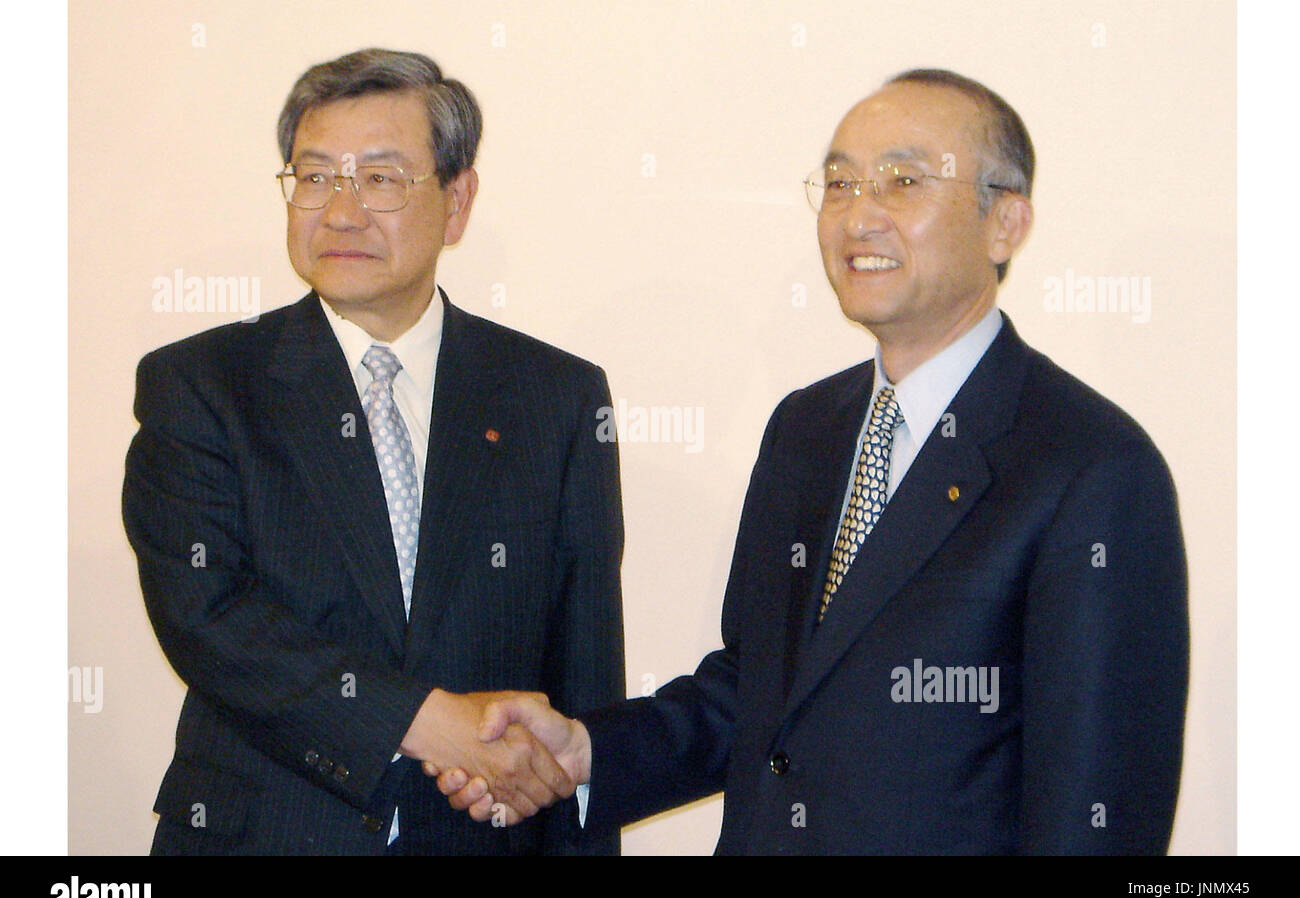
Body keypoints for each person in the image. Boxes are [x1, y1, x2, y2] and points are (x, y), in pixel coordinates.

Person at [435, 68, 1189, 854]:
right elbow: (759, 691)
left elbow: (1096, 819)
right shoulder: (806, 429)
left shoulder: (1090, 468)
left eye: (903, 181)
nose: (859, 215)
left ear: (1006, 223)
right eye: (839, 184)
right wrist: (586, 752)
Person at [122, 48, 624, 855]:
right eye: (315, 177)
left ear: (456, 202)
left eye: (381, 179)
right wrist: (427, 724)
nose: (341, 212)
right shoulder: (204, 385)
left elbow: (584, 675)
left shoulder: (555, 398)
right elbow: (208, 618)